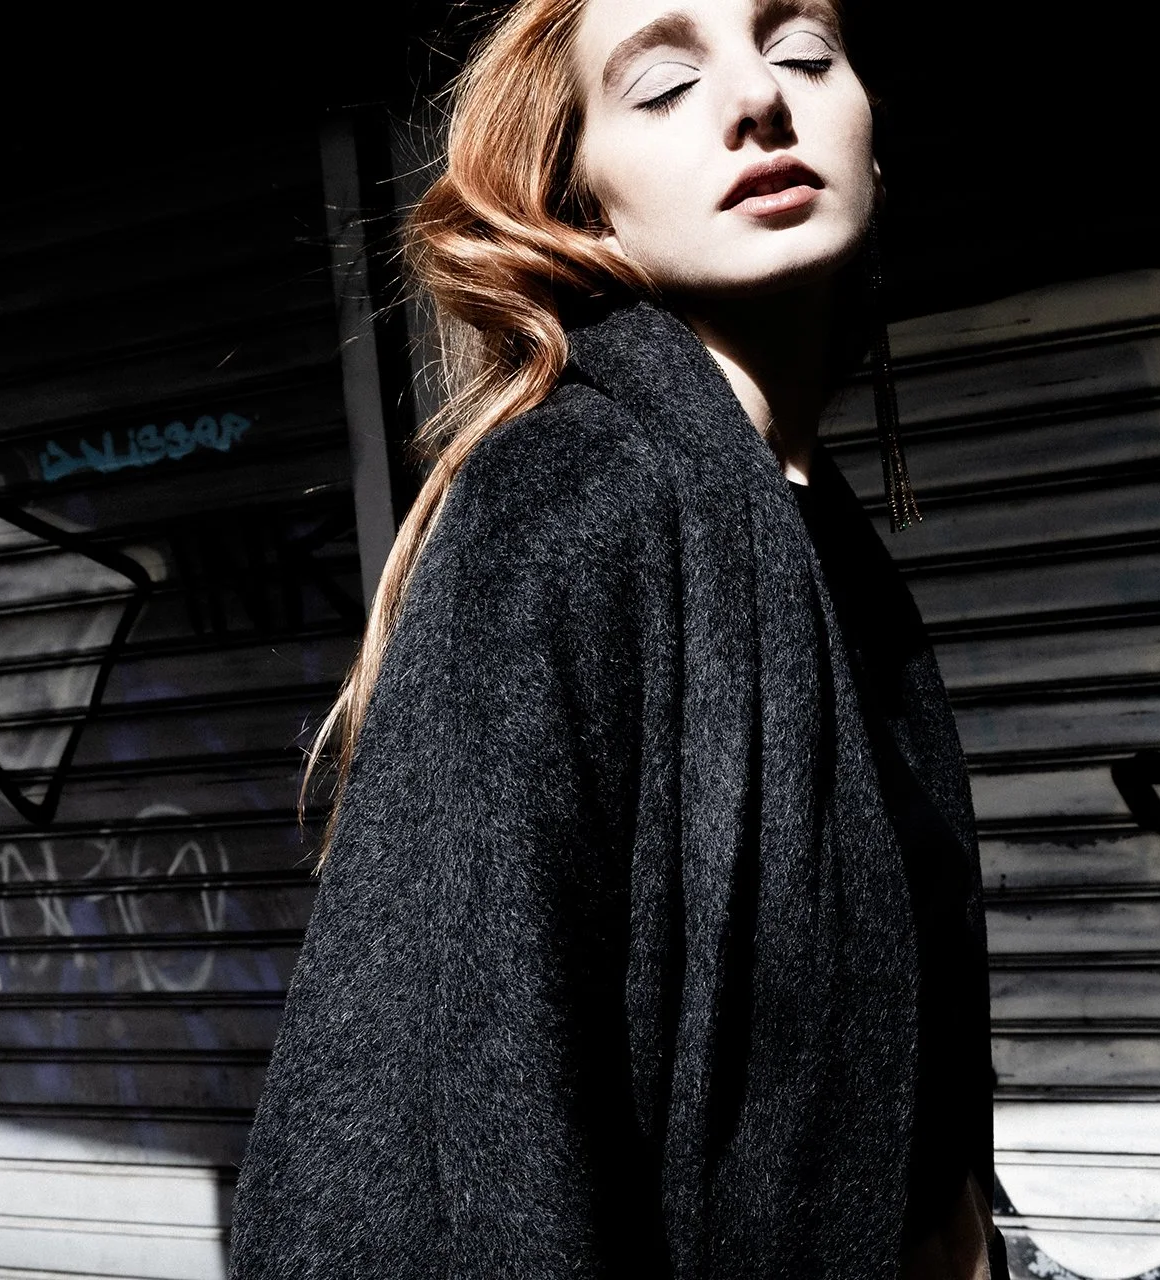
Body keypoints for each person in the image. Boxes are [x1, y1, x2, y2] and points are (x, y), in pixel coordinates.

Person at [229, 0, 1000, 1275]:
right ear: (580, 206)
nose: (760, 97)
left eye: (803, 51)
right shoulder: (573, 499)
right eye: (662, 84)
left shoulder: (810, 531)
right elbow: (452, 1125)